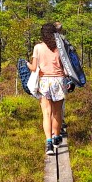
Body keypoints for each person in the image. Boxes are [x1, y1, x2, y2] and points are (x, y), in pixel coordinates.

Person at [27, 22, 68, 155]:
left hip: (44, 81)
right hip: (59, 81)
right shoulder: (61, 47)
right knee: (57, 113)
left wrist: (26, 63)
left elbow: (33, 68)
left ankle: (49, 143)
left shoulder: (38, 47)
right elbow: (66, 68)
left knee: (46, 113)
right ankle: (57, 137)